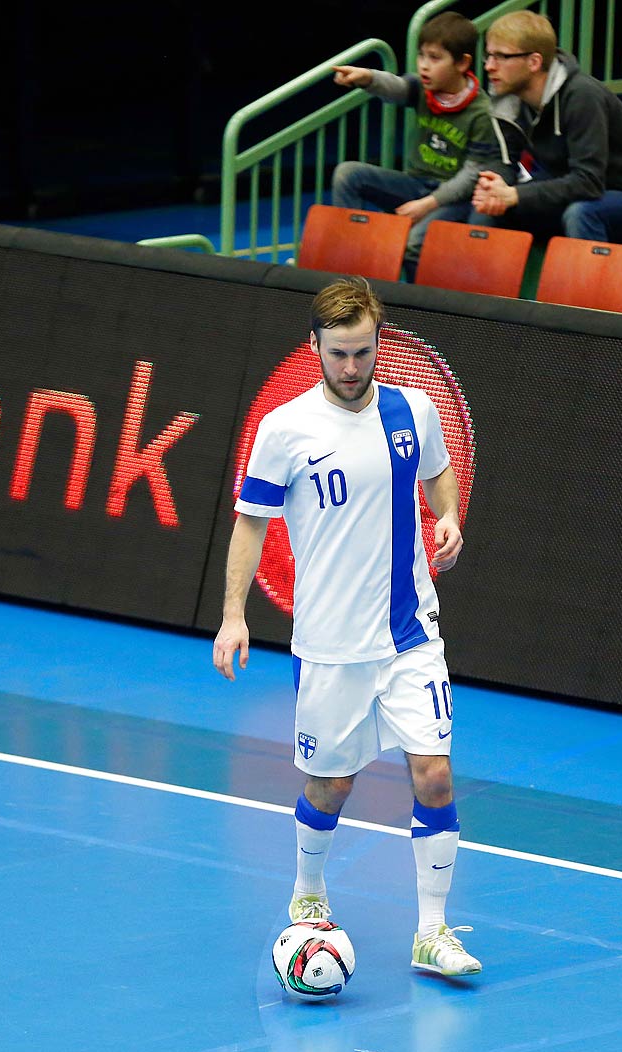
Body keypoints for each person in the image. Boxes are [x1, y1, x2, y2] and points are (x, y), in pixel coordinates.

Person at [212, 277, 480, 977]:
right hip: (330, 646)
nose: (352, 368)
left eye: (362, 353)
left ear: (378, 343)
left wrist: (448, 518)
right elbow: (250, 524)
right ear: (315, 347)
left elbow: (440, 477)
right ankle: (308, 893)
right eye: (338, 354)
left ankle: (433, 932)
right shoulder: (286, 428)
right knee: (330, 786)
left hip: (410, 632)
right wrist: (234, 615)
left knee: (435, 775)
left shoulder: (410, 410)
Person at [467, 10, 622, 245]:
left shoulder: (582, 96)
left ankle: (590, 282)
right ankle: (482, 282)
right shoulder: (508, 97)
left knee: (581, 213)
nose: (489, 67)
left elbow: (588, 181)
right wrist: (495, 186)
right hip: (573, 189)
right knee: (488, 208)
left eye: (501, 57)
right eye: (488, 56)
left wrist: (514, 194)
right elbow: (505, 159)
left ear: (534, 62)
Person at [329, 12, 494, 279]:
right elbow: (398, 86)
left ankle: (420, 311)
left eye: (435, 58)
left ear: (462, 63)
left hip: (454, 200)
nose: (424, 66)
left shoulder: (481, 113)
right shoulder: (423, 89)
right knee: (348, 175)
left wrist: (428, 204)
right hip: (416, 185)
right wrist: (366, 77)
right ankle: (353, 279)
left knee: (414, 242)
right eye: (422, 56)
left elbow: (471, 175)